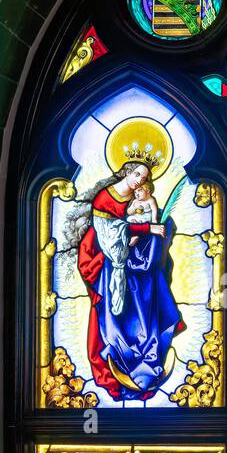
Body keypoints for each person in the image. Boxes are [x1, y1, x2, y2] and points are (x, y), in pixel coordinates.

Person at [77, 143, 184, 399]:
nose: (139, 181)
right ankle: (124, 360)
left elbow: (152, 220)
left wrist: (153, 228)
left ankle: (149, 360)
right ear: (126, 171)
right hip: (113, 266)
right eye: (137, 174)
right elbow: (109, 235)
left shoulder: (144, 198)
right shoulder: (105, 199)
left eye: (144, 179)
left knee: (151, 309)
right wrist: (145, 230)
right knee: (119, 318)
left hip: (141, 265)